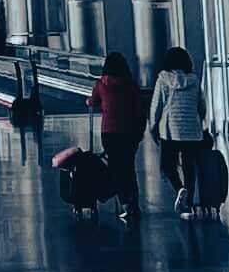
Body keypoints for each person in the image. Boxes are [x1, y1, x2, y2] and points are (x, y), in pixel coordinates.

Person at [151, 45, 214, 215]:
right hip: (192, 130)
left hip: (170, 129)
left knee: (167, 165)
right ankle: (189, 202)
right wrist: (199, 121)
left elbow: (156, 106)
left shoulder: (163, 79)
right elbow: (202, 105)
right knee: (189, 167)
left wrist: (153, 126)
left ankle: (180, 189)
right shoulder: (194, 80)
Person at [91, 47, 147, 218]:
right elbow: (140, 109)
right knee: (128, 167)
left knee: (116, 167)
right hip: (129, 132)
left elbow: (93, 101)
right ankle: (134, 203)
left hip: (109, 133)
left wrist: (90, 101)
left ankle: (124, 203)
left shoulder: (101, 84)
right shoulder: (131, 85)